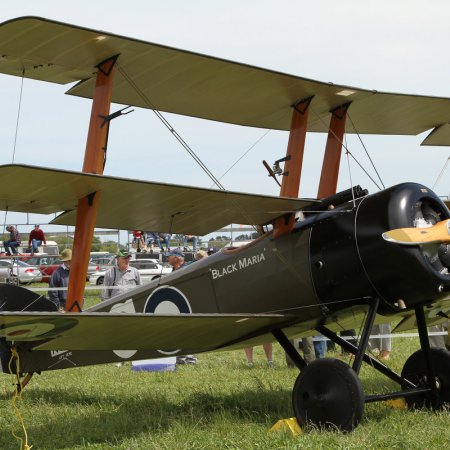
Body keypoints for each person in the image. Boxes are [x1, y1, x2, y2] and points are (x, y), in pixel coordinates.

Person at [167, 248, 196, 364]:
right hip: (175, 307)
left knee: (188, 331)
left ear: (177, 257)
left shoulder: (187, 270)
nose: (168, 258)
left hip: (186, 306)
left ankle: (190, 358)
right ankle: (180, 357)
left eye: (170, 256)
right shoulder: (173, 271)